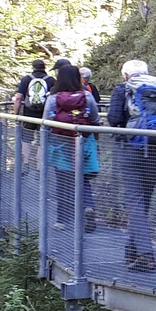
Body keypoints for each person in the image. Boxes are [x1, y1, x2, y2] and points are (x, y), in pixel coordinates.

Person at [107, 59, 156, 272]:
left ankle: (145, 255)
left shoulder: (122, 89)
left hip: (130, 148)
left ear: (125, 75)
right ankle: (132, 251)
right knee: (143, 200)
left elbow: (114, 119)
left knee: (134, 201)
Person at [42, 61, 101, 231]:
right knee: (83, 179)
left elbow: (46, 121)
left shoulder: (53, 97)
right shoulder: (87, 96)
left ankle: (62, 219)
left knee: (63, 181)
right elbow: (95, 120)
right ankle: (87, 207)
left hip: (60, 144)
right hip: (83, 141)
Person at [11, 59, 53, 168]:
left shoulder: (26, 79)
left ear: (33, 67)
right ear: (44, 67)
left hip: (28, 114)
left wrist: (16, 115)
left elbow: (19, 98)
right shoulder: (51, 80)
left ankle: (26, 163)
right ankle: (40, 165)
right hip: (44, 115)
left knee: (26, 139)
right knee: (42, 140)